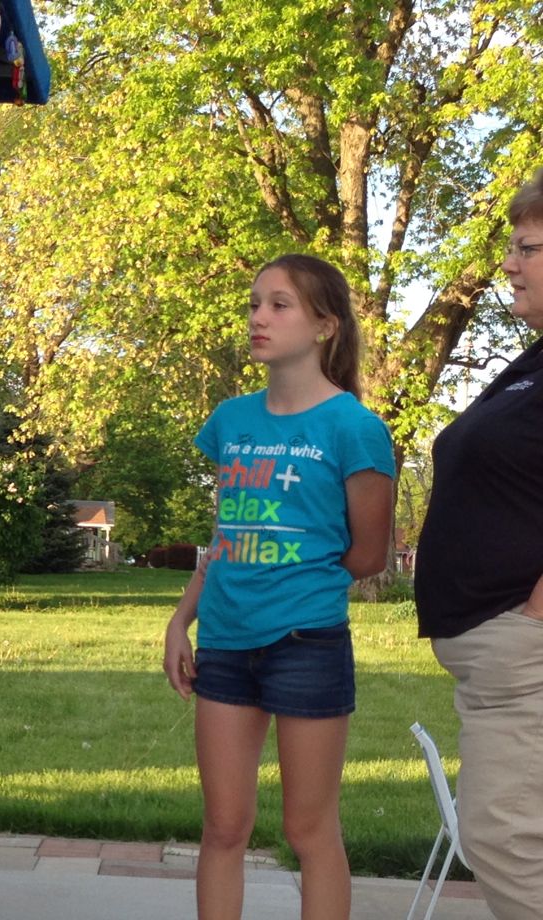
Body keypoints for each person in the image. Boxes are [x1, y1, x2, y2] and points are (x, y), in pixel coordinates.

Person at [163, 254, 395, 920]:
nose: (259, 318)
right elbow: (226, 535)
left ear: (325, 325)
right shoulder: (232, 420)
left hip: (307, 645)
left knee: (309, 832)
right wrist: (183, 620)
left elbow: (369, 554)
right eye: (254, 304)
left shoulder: (355, 427)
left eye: (279, 305)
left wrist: (296, 583)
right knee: (223, 827)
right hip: (227, 648)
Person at [414, 168, 543, 920]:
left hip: (523, 659)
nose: (507, 264)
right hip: (504, 659)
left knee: (502, 838)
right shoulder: (530, 366)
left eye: (526, 247)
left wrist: (532, 623)